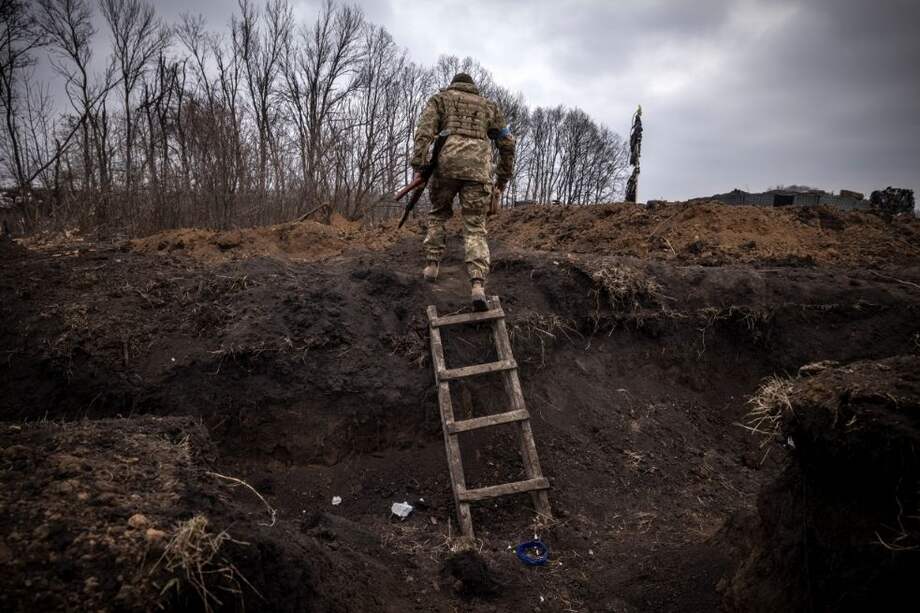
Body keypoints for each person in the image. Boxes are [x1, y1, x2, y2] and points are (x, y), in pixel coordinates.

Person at [410, 72, 515, 310]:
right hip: (478, 172)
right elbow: (507, 142)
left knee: (438, 213)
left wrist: (418, 165)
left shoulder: (440, 99)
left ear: (453, 84)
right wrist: (502, 178)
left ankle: (432, 265)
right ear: (473, 87)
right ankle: (477, 284)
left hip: (446, 167)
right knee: (475, 227)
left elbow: (424, 132)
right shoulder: (489, 107)